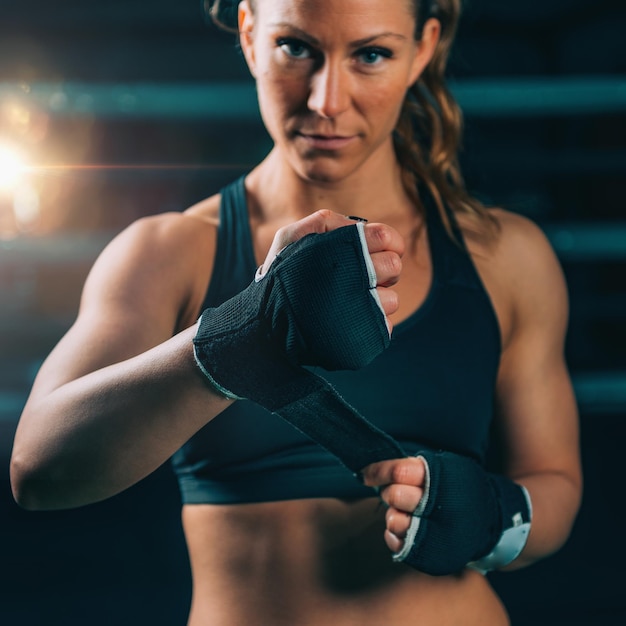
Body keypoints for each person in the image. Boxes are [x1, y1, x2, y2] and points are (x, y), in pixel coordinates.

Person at [10, 0, 582, 624]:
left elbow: (555, 482)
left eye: (371, 54)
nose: (326, 101)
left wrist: (496, 517)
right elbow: (40, 470)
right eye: (296, 48)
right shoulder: (172, 252)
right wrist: (243, 335)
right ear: (251, 34)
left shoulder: (504, 255)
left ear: (422, 49)